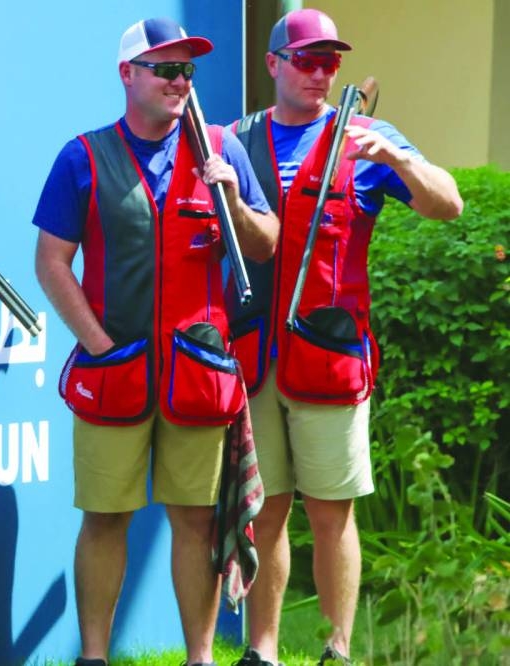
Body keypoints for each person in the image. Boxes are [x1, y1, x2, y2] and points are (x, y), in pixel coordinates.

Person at [32, 17, 279, 666]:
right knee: (105, 517)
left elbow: (267, 242)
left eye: (187, 71)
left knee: (195, 520)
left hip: (199, 376)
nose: (179, 82)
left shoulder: (220, 148)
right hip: (114, 374)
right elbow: (51, 262)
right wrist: (97, 341)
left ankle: (199, 658)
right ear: (128, 75)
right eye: (165, 69)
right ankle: (93, 656)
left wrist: (236, 196)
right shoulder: (82, 156)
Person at [227, 9, 463, 666]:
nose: (321, 71)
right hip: (253, 359)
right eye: (306, 58)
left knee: (332, 514)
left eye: (330, 60)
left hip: (329, 358)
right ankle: (263, 651)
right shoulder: (237, 139)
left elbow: (448, 203)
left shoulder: (368, 136)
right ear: (273, 63)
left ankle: (335, 648)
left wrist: (400, 162)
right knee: (266, 510)